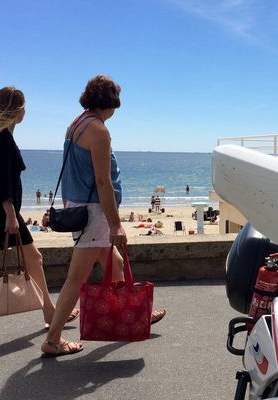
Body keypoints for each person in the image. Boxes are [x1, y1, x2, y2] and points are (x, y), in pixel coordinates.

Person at [41, 75, 165, 357]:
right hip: (94, 211)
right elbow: (102, 181)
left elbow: (74, 172)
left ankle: (131, 312)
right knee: (77, 277)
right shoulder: (98, 130)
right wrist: (116, 224)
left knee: (114, 261)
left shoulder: (75, 125)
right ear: (111, 103)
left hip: (79, 206)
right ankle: (52, 339)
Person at [0, 87, 78, 340]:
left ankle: (48, 311)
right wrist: (10, 214)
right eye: (24, 106)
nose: (26, 111)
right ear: (17, 110)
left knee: (31, 259)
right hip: (0, 211)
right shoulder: (2, 138)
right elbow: (1, 183)